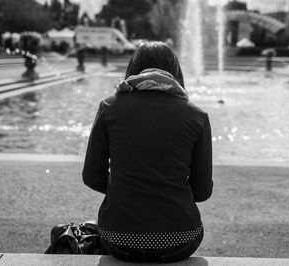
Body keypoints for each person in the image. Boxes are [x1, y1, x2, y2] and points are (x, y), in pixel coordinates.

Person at [82, 41, 213, 263]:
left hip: (117, 237)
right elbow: (202, 192)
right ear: (176, 71)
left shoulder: (109, 107)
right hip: (180, 239)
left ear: (133, 68)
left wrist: (125, 188)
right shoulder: (197, 117)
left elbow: (92, 177)